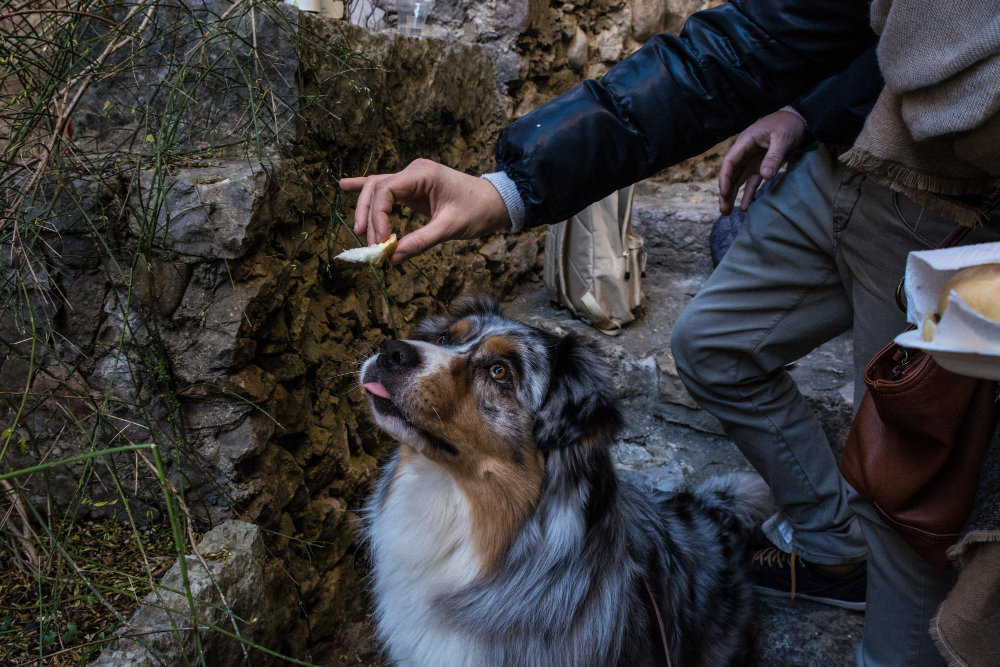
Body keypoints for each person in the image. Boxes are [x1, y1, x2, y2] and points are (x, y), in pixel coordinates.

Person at [340, 2, 1000, 665]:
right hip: (844, 154)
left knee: (909, 479)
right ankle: (831, 546)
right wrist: (507, 188)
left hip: (951, 201)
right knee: (713, 346)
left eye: (497, 371)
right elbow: (749, 40)